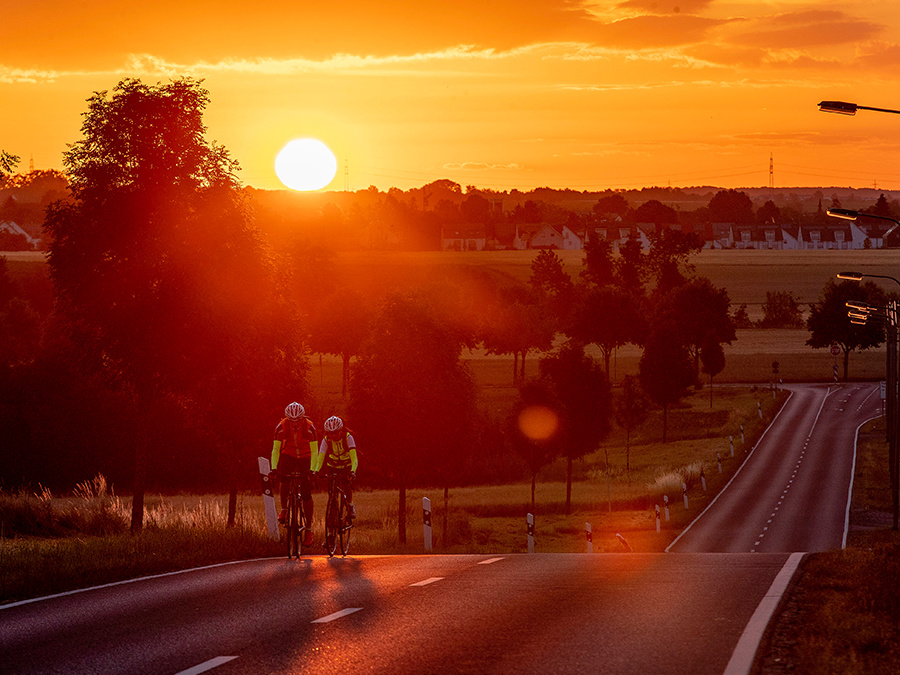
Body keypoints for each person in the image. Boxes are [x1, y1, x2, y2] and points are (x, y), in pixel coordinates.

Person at [270, 402, 318, 546]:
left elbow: (315, 452)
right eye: (292, 421)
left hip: (306, 456)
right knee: (283, 479)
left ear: (303, 418)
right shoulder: (281, 427)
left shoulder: (310, 428)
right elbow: (275, 450)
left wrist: (312, 471)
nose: (295, 424)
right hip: (288, 454)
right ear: (287, 419)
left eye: (298, 421)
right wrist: (273, 469)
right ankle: (284, 509)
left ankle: (309, 529)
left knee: (306, 493)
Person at [314, 415, 358, 520]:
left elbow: (354, 458)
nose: (333, 436)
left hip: (346, 466)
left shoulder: (348, 437)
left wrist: (353, 471)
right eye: (330, 433)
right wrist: (316, 471)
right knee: (331, 492)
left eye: (335, 433)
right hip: (332, 466)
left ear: (340, 431)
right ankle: (332, 509)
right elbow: (320, 458)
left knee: (346, 485)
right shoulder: (326, 440)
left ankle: (350, 504)